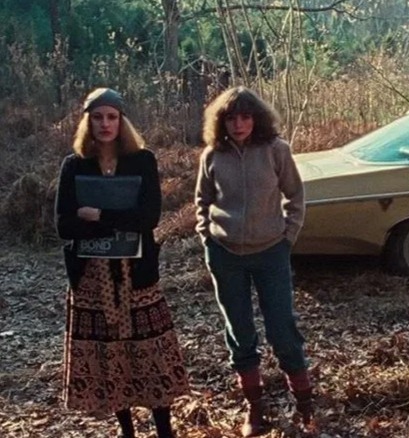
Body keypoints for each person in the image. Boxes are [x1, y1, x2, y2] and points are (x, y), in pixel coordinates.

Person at [55, 88, 189, 438]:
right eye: (97, 117)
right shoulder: (74, 165)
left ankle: (164, 430)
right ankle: (126, 430)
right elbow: (64, 225)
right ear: (87, 121)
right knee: (108, 357)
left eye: (111, 116)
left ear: (122, 120)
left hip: (137, 275)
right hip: (92, 278)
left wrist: (98, 214)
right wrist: (119, 217)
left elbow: (149, 217)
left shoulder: (142, 160)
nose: (104, 124)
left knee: (150, 351)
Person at [194, 86, 315, 436]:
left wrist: (287, 237)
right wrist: (208, 239)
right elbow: (201, 201)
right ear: (222, 122)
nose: (239, 123)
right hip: (226, 254)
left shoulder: (277, 150)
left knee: (282, 328)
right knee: (240, 332)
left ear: (256, 118)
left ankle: (305, 406)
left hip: (270, 252)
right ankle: (255, 408)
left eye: (246, 116)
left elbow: (295, 195)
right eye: (231, 118)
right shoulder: (212, 155)